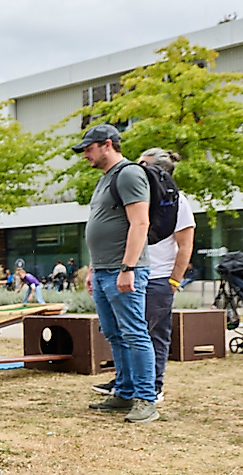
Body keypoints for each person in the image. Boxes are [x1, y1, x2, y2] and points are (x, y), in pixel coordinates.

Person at [92, 148, 195, 404]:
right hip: (131, 270)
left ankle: (153, 387)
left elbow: (185, 244)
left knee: (149, 334)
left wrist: (173, 281)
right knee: (126, 333)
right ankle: (125, 384)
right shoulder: (136, 193)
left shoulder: (175, 200)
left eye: (143, 164)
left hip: (158, 277)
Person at [73, 123, 158, 424]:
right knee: (115, 334)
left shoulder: (129, 174)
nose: (85, 155)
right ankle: (123, 392)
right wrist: (94, 269)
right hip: (105, 271)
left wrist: (128, 268)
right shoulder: (105, 178)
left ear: (107, 144)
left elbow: (140, 224)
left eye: (88, 148)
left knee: (135, 334)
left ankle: (146, 399)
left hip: (124, 272)